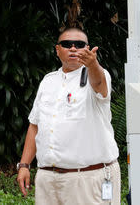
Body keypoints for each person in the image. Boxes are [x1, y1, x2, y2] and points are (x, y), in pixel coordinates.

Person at [17, 27, 120, 205]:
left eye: (79, 45)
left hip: (87, 178)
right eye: (67, 44)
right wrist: (24, 164)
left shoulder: (98, 75)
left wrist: (92, 64)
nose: (73, 48)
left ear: (87, 49)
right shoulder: (48, 81)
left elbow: (99, 84)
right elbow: (35, 125)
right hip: (48, 179)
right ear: (58, 50)